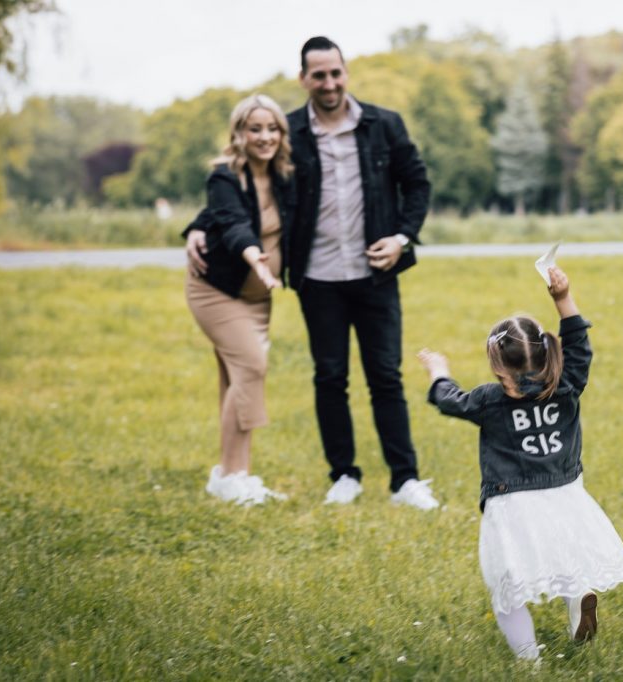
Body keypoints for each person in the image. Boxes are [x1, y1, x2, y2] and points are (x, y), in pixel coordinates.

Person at [187, 36, 437, 510]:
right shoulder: (289, 132)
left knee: (385, 376)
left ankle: (405, 481)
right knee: (330, 377)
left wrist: (402, 238)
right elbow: (243, 182)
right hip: (318, 278)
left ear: (346, 73)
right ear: (304, 79)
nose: (329, 83)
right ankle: (343, 475)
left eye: (335, 73)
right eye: (318, 75)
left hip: (376, 273)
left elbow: (417, 183)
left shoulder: (384, 125)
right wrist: (198, 227)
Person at [417, 266, 623, 660]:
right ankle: (578, 597)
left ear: (497, 366)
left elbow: (450, 401)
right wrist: (562, 298)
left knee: (508, 586)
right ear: (547, 351)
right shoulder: (567, 383)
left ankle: (528, 659)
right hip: (564, 493)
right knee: (564, 557)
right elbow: (579, 344)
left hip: (511, 504)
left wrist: (439, 373)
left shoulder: (488, 400)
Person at [183, 93, 294, 506]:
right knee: (251, 367)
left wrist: (196, 225)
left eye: (272, 128)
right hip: (216, 291)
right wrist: (256, 260)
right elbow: (231, 222)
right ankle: (229, 476)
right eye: (255, 129)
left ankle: (237, 476)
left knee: (239, 379)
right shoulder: (225, 177)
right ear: (239, 133)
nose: (265, 137)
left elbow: (211, 215)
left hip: (257, 300)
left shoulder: (286, 176)